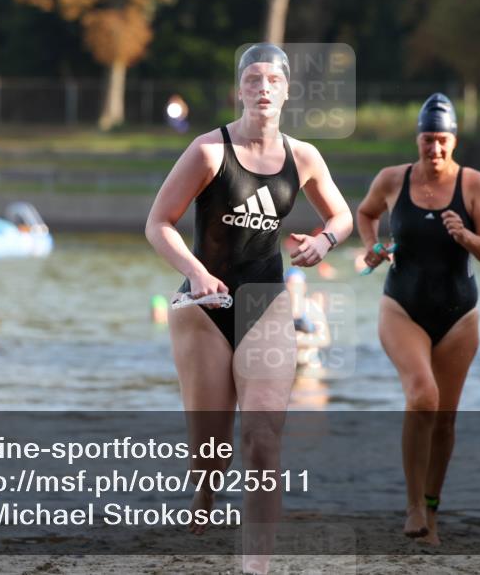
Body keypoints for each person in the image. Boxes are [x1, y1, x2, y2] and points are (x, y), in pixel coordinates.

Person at [145, 43, 352, 574]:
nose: (263, 88)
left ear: (286, 90)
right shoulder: (208, 152)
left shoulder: (304, 157)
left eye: (273, 80)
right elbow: (158, 223)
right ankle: (205, 491)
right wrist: (195, 272)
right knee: (211, 450)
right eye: (253, 79)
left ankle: (255, 565)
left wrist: (324, 241)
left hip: (266, 300)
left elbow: (342, 216)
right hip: (205, 305)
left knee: (261, 438)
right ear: (239, 89)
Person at [355, 93, 480, 545]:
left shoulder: (474, 183)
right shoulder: (392, 179)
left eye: (442, 140)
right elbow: (366, 213)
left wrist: (466, 236)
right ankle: (413, 504)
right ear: (417, 139)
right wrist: (372, 246)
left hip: (459, 314)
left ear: (454, 141)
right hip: (402, 307)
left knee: (445, 419)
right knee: (423, 396)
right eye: (427, 140)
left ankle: (431, 513)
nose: (434, 149)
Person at [284, 267, 331, 370]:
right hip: (285, 365)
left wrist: (300, 339)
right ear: (285, 286)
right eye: (291, 284)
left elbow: (325, 339)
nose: (295, 288)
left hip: (309, 363)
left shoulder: (312, 308)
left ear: (304, 286)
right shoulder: (279, 309)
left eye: (298, 284)